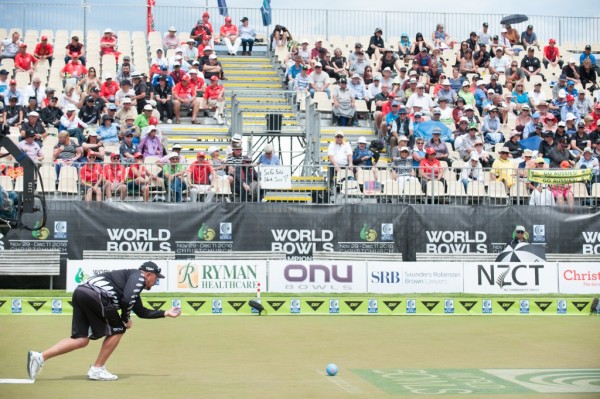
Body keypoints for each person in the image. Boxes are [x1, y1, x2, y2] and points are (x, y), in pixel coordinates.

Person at [27, 261, 180, 381]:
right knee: (119, 329)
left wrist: (165, 313)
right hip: (96, 295)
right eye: (156, 278)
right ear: (148, 274)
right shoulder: (138, 276)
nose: (156, 281)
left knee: (81, 340)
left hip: (81, 292)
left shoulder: (131, 284)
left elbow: (140, 311)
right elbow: (127, 300)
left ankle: (39, 357)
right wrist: (125, 319)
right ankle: (97, 369)